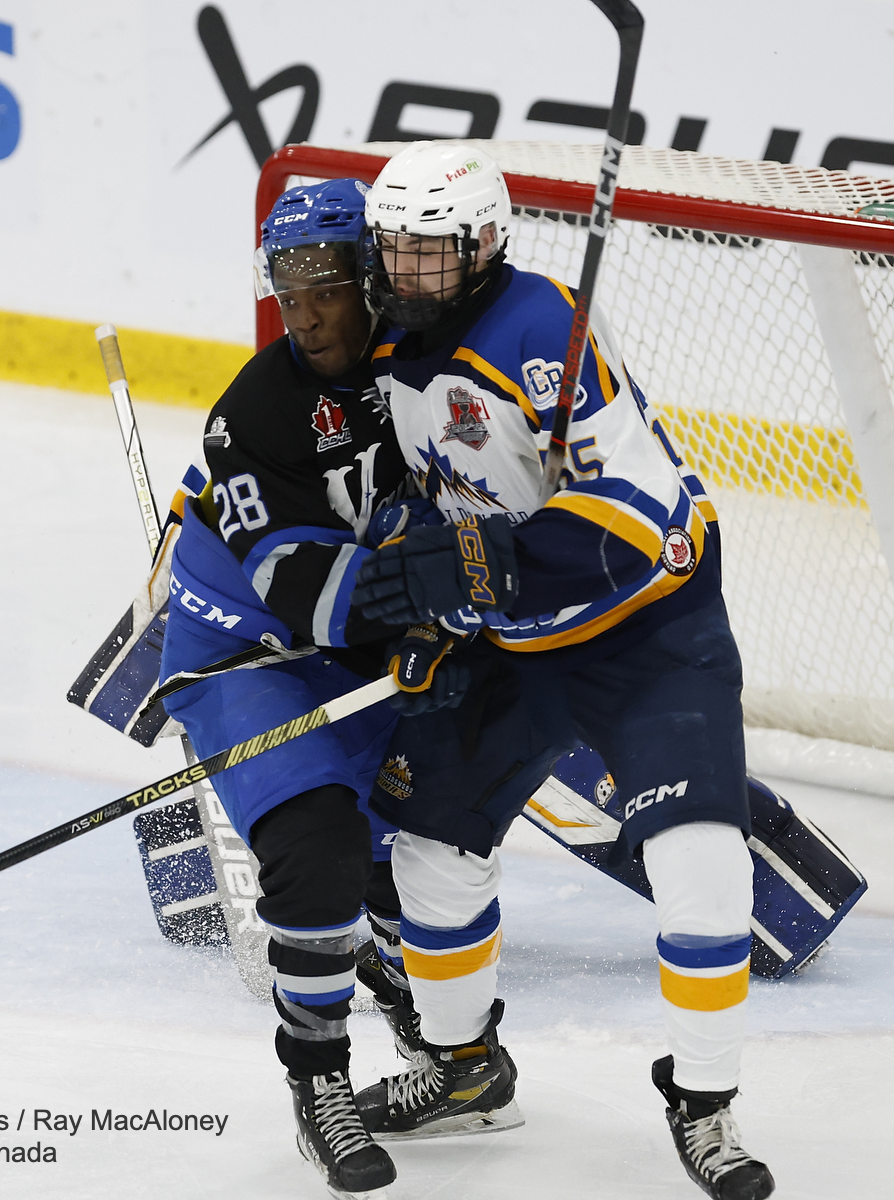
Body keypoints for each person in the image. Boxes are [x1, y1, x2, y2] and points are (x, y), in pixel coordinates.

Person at [350, 141, 776, 1200]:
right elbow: (420, 489)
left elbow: (636, 519)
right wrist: (419, 566)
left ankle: (706, 1104)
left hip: (649, 639)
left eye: (430, 252)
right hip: (512, 644)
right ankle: (463, 1071)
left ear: (486, 245)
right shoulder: (385, 342)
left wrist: (490, 555)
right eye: (392, 246)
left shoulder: (543, 330)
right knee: (433, 848)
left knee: (701, 857)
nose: (405, 271)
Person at [158, 177, 470, 1200]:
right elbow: (310, 598)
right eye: (286, 290)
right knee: (319, 850)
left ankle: (448, 1048)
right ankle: (321, 1084)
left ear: (373, 276)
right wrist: (446, 595)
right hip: (249, 656)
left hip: (366, 647)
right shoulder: (250, 418)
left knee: (431, 833)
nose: (303, 312)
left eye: (325, 285)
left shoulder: (428, 367)